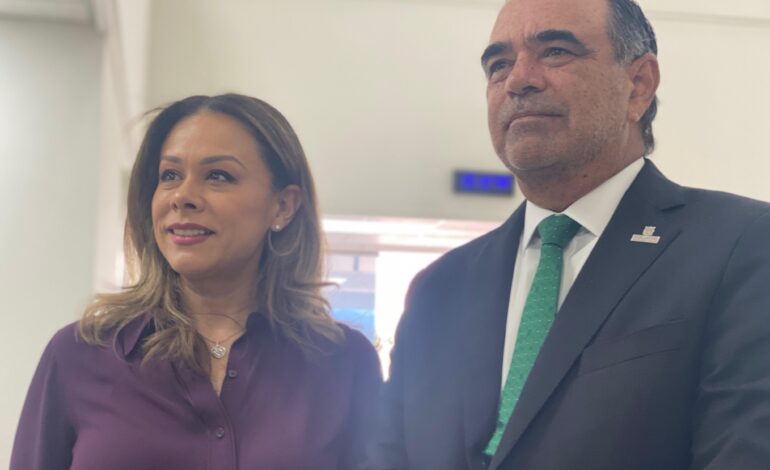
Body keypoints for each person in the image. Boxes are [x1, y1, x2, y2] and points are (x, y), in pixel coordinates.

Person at [367, 0, 770, 469]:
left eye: (555, 51)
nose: (519, 79)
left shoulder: (739, 246)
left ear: (638, 85)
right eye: (499, 65)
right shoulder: (438, 289)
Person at [11, 94, 382, 470]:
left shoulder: (345, 364)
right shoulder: (78, 355)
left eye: (218, 176)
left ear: (283, 206)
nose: (182, 197)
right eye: (170, 175)